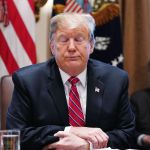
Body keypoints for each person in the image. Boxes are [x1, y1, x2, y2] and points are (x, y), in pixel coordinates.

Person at [6, 13, 135, 150]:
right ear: (52, 46)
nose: (72, 47)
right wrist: (70, 130)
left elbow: (127, 134)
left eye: (79, 39)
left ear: (91, 45)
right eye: (63, 40)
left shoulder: (115, 79)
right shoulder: (28, 81)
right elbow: (16, 134)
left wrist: (88, 146)